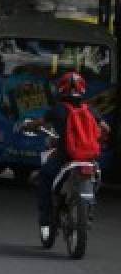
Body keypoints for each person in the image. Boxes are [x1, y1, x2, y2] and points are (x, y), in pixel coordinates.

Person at [22, 71, 109, 239]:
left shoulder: (58, 110)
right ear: (82, 89)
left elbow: (39, 123)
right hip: (88, 157)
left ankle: (46, 220)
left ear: (60, 89)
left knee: (44, 177)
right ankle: (89, 211)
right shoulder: (90, 109)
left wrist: (27, 126)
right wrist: (96, 138)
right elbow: (106, 129)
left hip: (66, 155)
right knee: (95, 180)